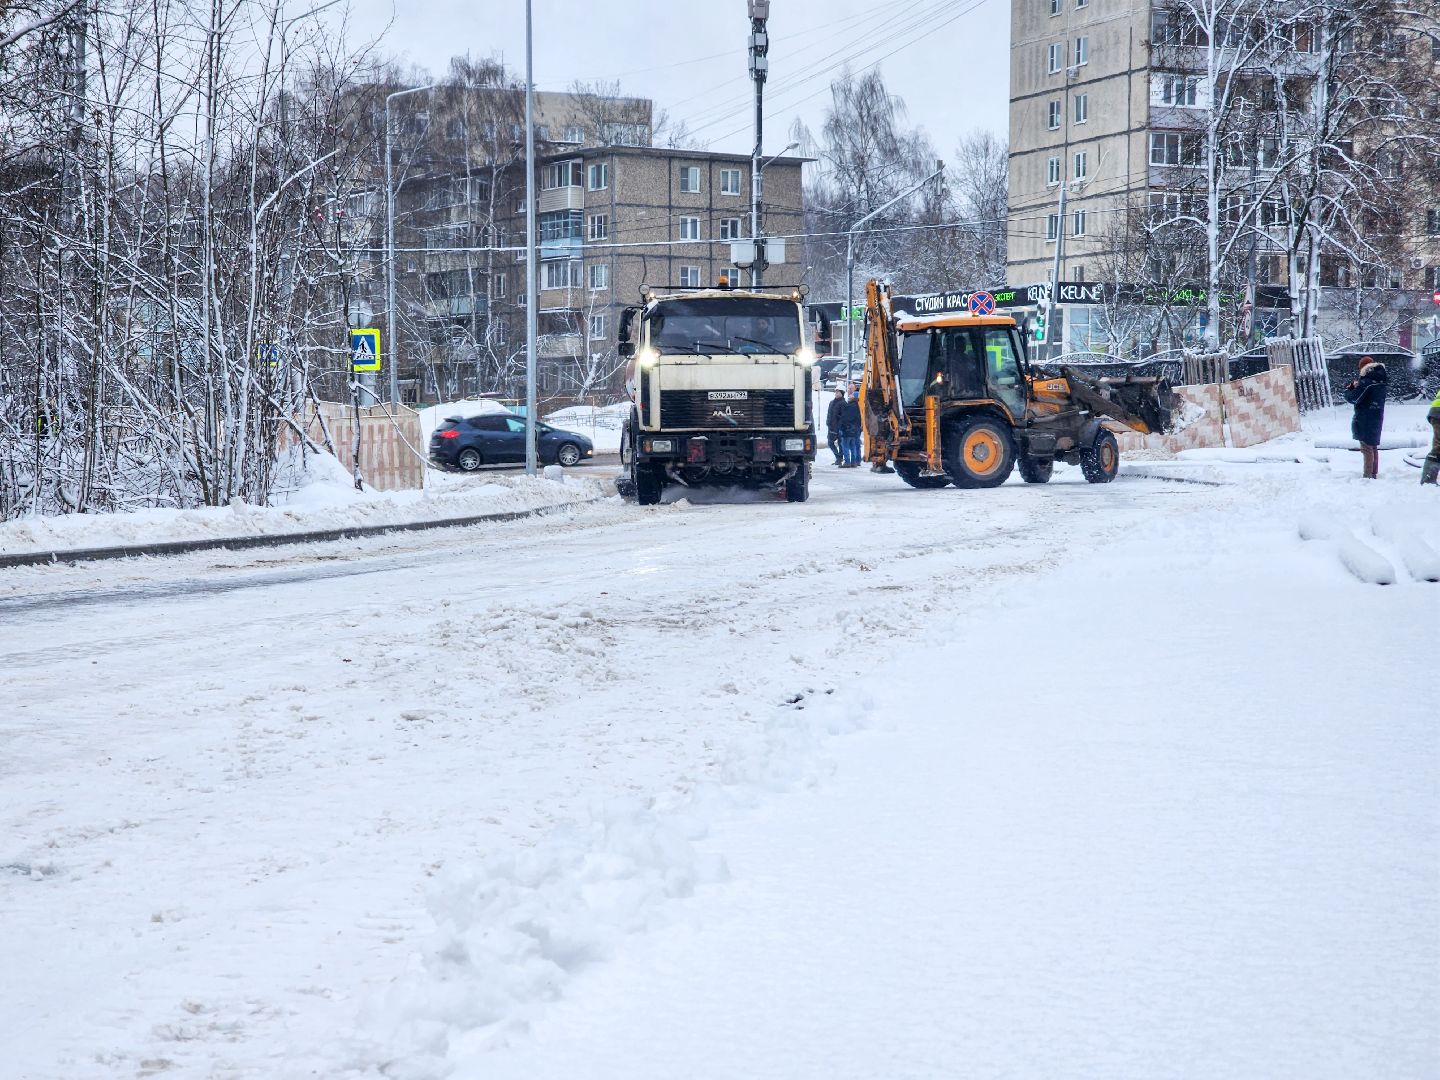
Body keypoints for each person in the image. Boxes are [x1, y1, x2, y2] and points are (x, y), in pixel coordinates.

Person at [1342, 356, 1388, 479]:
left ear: (1363, 368)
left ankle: (1367, 476)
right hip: (1376, 416)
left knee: (1366, 447)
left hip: (1365, 418)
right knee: (1372, 446)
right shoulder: (1380, 381)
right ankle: (1373, 473)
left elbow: (1354, 398)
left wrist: (1349, 389)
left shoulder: (1367, 382)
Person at [838, 386, 863, 467]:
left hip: (847, 430)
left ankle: (847, 462)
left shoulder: (849, 407)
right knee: (853, 446)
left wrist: (842, 427)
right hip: (855, 430)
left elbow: (845, 418)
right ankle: (854, 462)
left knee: (845, 446)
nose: (849, 396)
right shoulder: (858, 407)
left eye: (851, 396)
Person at [1422, 382, 1440, 485]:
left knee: (1438, 445)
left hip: (1435, 413)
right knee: (1438, 448)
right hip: (1438, 413)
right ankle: (1428, 480)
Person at [825, 387, 845, 465]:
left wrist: (840, 426)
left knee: (840, 443)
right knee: (830, 443)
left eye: (838, 392)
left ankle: (840, 458)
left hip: (839, 427)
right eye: (836, 392)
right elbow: (829, 413)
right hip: (831, 426)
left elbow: (843, 417)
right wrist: (828, 422)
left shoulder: (843, 403)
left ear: (842, 393)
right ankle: (838, 457)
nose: (836, 393)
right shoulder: (831, 402)